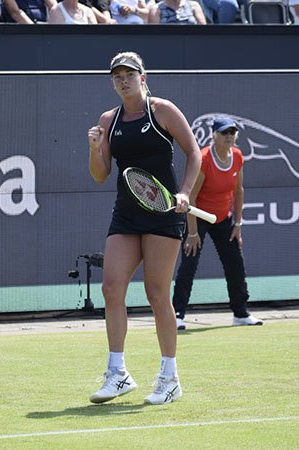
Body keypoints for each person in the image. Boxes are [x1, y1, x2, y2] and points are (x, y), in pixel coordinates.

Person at [87, 51, 201, 405]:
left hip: (163, 213)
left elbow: (194, 153)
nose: (123, 81)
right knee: (111, 287)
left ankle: (170, 378)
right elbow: (100, 173)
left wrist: (183, 192)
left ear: (143, 77)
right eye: (117, 76)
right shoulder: (109, 119)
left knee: (156, 294)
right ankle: (117, 374)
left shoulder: (162, 110)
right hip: (126, 213)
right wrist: (95, 147)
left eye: (129, 74)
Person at [172, 116, 263, 330]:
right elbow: (191, 198)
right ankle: (176, 315)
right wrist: (192, 233)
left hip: (223, 219)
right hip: (199, 217)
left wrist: (237, 224)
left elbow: (238, 191)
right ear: (214, 135)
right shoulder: (204, 159)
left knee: (235, 264)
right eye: (224, 133)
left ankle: (240, 313)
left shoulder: (238, 156)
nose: (229, 137)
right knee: (189, 264)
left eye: (232, 133)